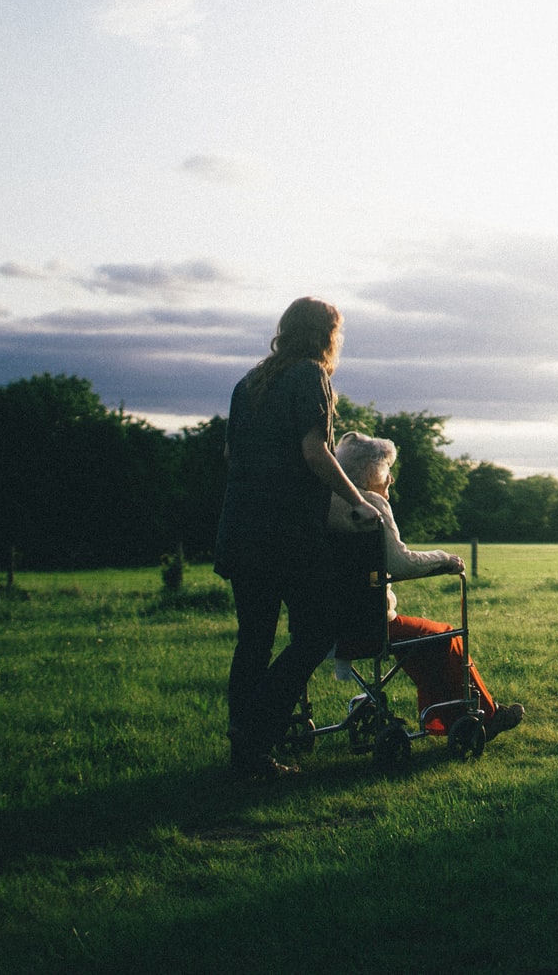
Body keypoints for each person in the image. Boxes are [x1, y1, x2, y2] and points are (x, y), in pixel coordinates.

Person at [214, 297, 380, 779]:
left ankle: (245, 752)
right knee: (316, 632)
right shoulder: (311, 377)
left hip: (240, 527)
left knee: (254, 641)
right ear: (326, 334)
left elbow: (232, 452)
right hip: (284, 533)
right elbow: (315, 451)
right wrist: (357, 500)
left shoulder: (249, 383)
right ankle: (256, 733)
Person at [327, 432, 524, 739]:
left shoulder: (327, 503)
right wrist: (443, 559)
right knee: (445, 635)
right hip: (369, 626)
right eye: (387, 470)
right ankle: (487, 715)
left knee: (422, 641)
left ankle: (444, 719)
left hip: (328, 625)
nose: (391, 478)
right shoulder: (371, 504)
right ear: (371, 472)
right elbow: (400, 564)